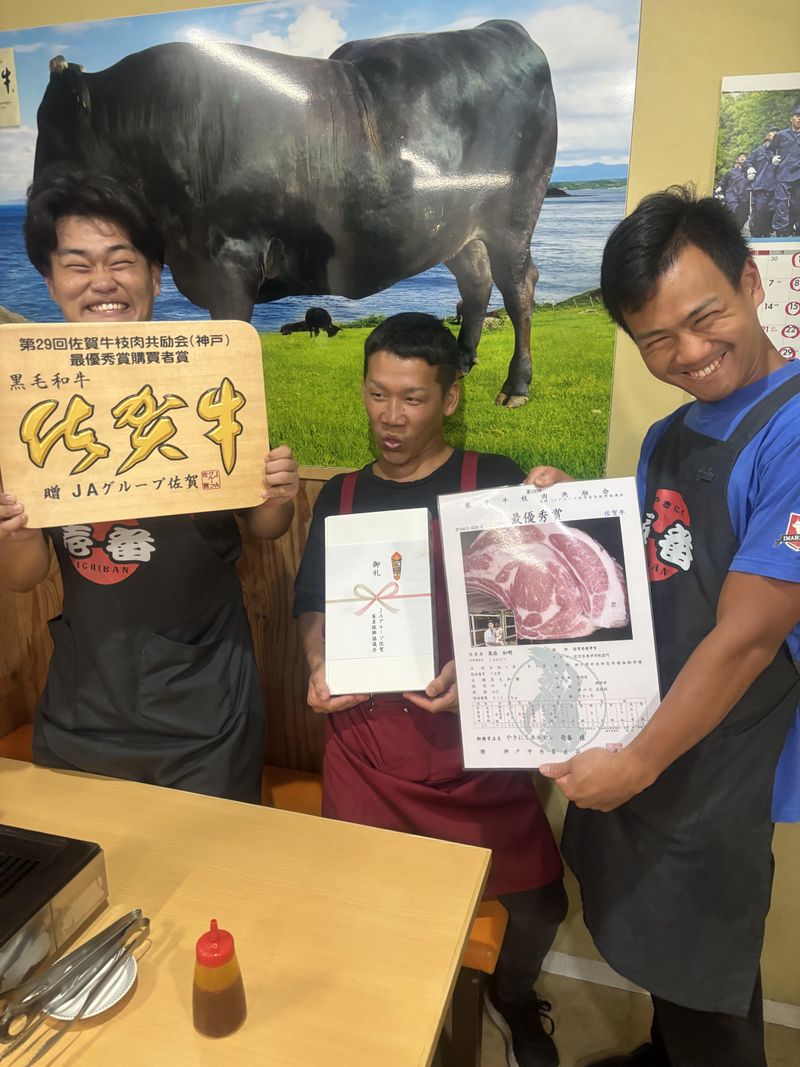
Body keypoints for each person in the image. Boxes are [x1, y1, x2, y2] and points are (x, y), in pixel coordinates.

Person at [533, 188, 800, 1067]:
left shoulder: (793, 432)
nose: (687, 352)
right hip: (648, 731)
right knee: (659, 957)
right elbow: (653, 567)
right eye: (655, 338)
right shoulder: (669, 435)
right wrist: (564, 514)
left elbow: (748, 637)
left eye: (704, 316)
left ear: (751, 283)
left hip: (718, 761)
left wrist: (637, 763)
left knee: (706, 977)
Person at [294, 313, 567, 1067]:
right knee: (371, 907)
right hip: (368, 749)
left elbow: (534, 604)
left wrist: (562, 508)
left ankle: (512, 998)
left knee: (542, 905)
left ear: (448, 398)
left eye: (412, 398)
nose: (391, 416)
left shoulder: (494, 480)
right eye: (378, 394)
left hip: (474, 750)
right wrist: (318, 665)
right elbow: (312, 605)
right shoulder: (342, 496)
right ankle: (396, 1024)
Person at [0, 169, 299, 803]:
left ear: (155, 276)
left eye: (121, 261)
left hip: (205, 705)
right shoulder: (32, 401)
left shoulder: (210, 374)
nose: (101, 282)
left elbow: (265, 527)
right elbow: (24, 575)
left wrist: (277, 495)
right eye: (77, 265)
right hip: (84, 699)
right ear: (50, 281)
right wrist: (13, 528)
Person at [771, 106, 800, 237]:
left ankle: (795, 229)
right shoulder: (781, 135)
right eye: (797, 116)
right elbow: (769, 150)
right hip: (783, 174)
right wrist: (772, 158)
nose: (799, 119)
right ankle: (781, 232)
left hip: (798, 175)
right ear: (791, 118)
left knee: (797, 204)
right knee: (781, 203)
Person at [745, 128, 778, 237]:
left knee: (773, 210)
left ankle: (766, 232)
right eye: (771, 135)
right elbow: (747, 162)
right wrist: (749, 168)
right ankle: (757, 234)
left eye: (776, 135)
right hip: (760, 186)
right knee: (759, 211)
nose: (773, 137)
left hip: (776, 186)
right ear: (767, 137)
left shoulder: (780, 151)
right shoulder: (758, 151)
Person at [717, 152, 750, 230]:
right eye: (740, 156)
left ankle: (736, 230)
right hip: (732, 196)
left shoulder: (748, 173)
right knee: (733, 211)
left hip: (744, 198)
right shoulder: (731, 172)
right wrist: (719, 187)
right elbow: (723, 181)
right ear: (737, 160)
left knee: (744, 216)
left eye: (744, 157)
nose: (742, 158)